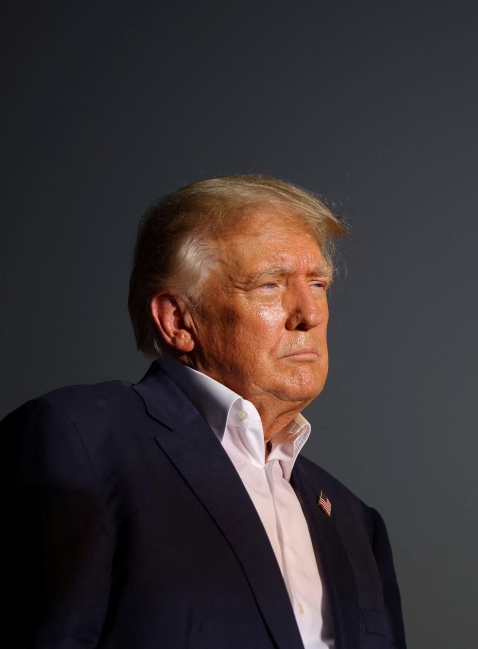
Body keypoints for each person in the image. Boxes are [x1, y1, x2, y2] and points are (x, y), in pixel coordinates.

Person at [2, 175, 405, 649]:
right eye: (270, 284)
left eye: (317, 284)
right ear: (178, 320)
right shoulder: (78, 442)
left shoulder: (356, 523)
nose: (309, 314)